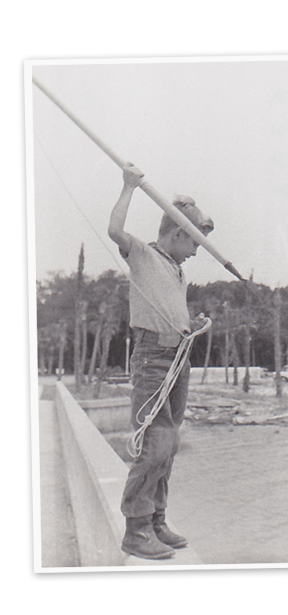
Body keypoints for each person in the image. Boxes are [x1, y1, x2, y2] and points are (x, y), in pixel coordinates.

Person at [108, 163, 214, 559]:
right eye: (195, 244)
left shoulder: (176, 269)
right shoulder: (145, 255)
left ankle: (156, 520)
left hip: (177, 355)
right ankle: (135, 530)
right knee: (156, 444)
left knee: (170, 444)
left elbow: (169, 310)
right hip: (153, 358)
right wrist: (128, 187)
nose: (196, 252)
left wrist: (192, 323)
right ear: (178, 234)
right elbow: (115, 230)